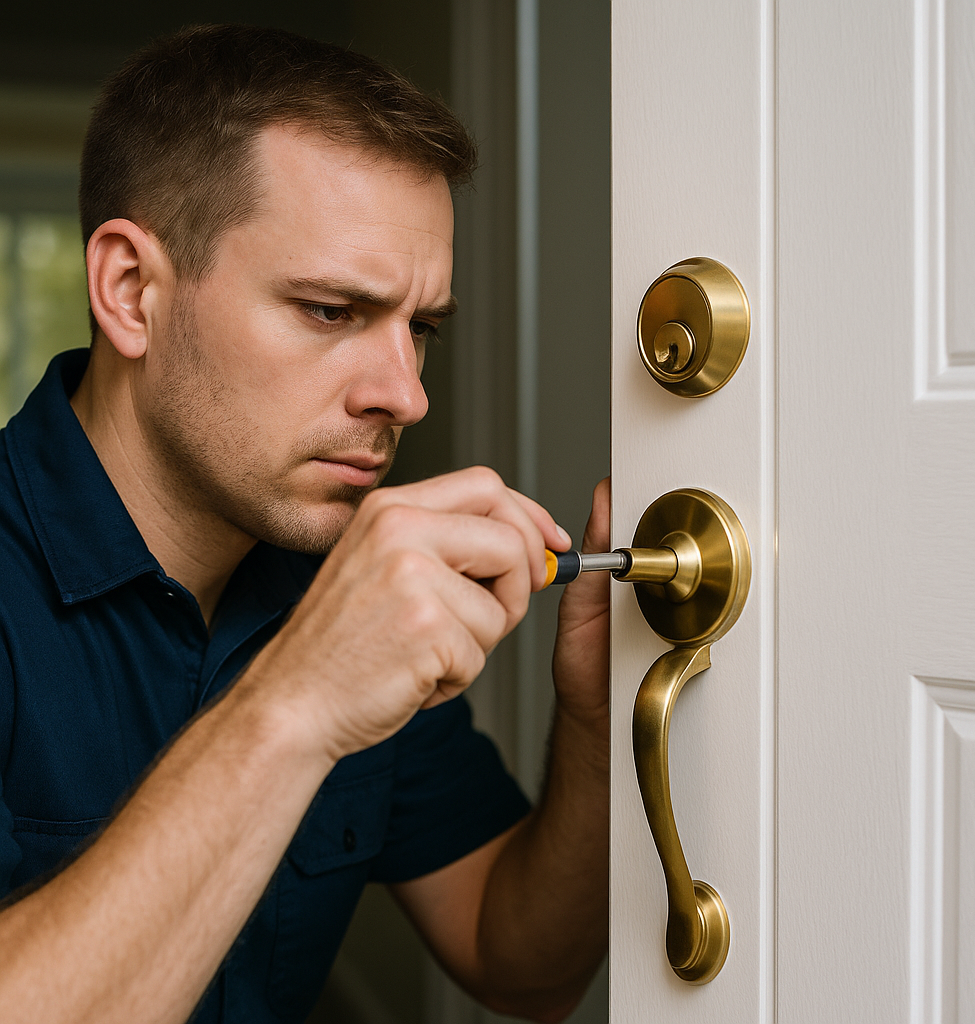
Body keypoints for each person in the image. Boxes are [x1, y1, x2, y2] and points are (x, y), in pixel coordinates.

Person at [0, 24, 609, 1024]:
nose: (406, 395)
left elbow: (522, 964)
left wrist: (597, 717)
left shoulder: (338, 580)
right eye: (330, 310)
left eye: (421, 327)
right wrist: (298, 698)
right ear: (131, 292)